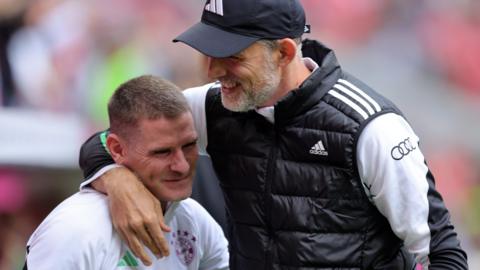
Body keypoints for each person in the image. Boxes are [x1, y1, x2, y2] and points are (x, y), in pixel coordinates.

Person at [79, 0, 469, 269]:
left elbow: (444, 253)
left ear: (283, 53)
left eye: (232, 56)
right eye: (207, 51)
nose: (212, 70)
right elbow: (107, 144)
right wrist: (117, 180)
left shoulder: (370, 127)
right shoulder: (212, 107)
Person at [24, 75, 229, 269]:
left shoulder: (195, 219)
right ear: (117, 150)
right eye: (162, 152)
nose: (182, 165)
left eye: (189, 145)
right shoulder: (73, 230)